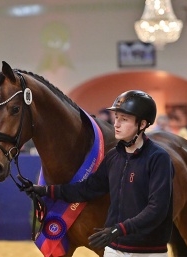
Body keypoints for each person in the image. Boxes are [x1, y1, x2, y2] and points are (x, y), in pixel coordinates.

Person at [24, 90, 174, 257]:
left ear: (143, 124)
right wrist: (46, 191)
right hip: (113, 249)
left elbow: (157, 209)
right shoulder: (113, 157)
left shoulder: (158, 158)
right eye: (116, 117)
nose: (116, 124)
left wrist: (119, 229)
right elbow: (87, 189)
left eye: (124, 119)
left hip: (147, 251)